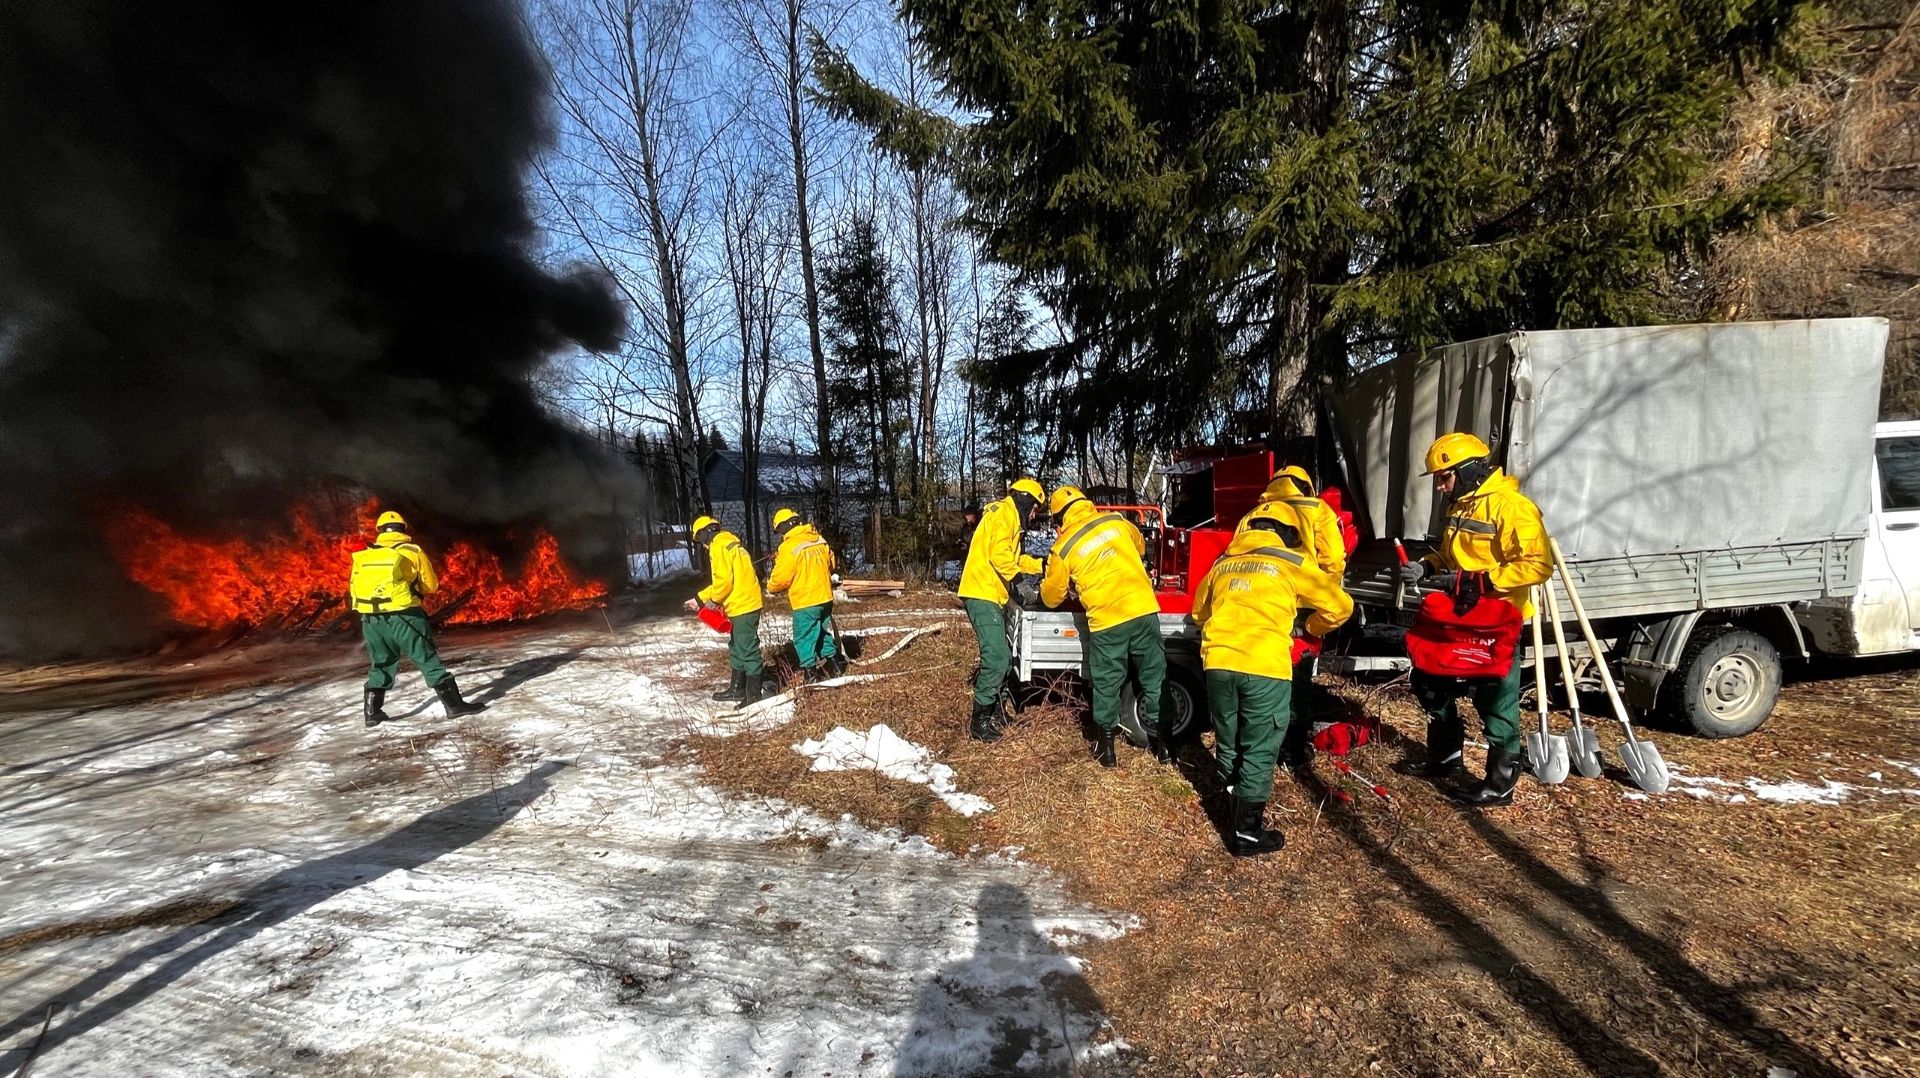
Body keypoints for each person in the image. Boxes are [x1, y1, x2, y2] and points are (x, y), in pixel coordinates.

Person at [1398, 433, 1552, 806]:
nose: (1439, 486)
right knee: (1429, 680)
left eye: (1444, 477)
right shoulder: (1462, 505)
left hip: (1497, 621)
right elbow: (1454, 557)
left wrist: (1483, 581)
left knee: (1495, 701)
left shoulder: (1512, 507)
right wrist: (1427, 565)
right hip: (1461, 616)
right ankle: (1445, 756)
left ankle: (1500, 783)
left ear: (1467, 471)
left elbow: (1538, 564)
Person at [1192, 501, 1353, 854]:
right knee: (1260, 747)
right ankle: (1247, 834)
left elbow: (1198, 611)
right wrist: (1310, 626)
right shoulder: (1293, 562)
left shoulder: (1224, 563)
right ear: (1288, 532)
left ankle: (1232, 807)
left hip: (1218, 664)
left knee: (1230, 739)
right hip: (1265, 667)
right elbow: (1341, 606)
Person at [1236, 464, 1358, 771]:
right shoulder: (1317, 509)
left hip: (1257, 602)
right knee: (1297, 680)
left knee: (1259, 675)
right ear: (1305, 486)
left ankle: (1256, 741)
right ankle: (1292, 749)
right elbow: (1332, 561)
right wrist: (1318, 612)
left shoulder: (1253, 513)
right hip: (1301, 605)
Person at [1039, 485, 1166, 768]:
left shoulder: (1064, 547)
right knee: (1154, 679)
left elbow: (1050, 598)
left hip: (1108, 620)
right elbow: (1140, 547)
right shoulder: (1117, 520)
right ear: (1086, 504)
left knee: (1107, 683)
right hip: (1144, 609)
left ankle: (1107, 750)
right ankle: (1163, 746)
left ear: (1059, 519)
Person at [348, 510, 484, 729]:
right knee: (427, 659)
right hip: (406, 617)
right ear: (403, 529)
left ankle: (372, 712)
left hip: (371, 620)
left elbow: (353, 586)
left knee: (381, 663)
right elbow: (431, 585)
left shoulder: (365, 554)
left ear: (380, 531)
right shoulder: (413, 551)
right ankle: (455, 706)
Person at [957, 478, 1046, 741]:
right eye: (1034, 508)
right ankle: (980, 721)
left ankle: (996, 710)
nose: (1034, 514)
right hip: (981, 593)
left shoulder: (1011, 521)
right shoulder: (1003, 514)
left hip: (991, 593)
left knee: (1005, 657)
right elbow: (999, 554)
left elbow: (1014, 558)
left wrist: (1043, 564)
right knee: (997, 657)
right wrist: (1019, 583)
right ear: (1025, 499)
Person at [688, 514, 769, 705]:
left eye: (699, 539)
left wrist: (713, 601)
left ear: (705, 533)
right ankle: (737, 690)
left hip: (743, 606)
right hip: (742, 603)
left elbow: (724, 582)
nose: (702, 545)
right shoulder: (731, 543)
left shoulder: (718, 547)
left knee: (747, 650)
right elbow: (726, 580)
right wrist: (700, 598)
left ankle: (753, 697)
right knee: (737, 646)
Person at [766, 507, 845, 682]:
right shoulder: (818, 538)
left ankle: (810, 674)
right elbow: (831, 564)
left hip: (805, 601)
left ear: (784, 526)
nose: (780, 534)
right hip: (825, 598)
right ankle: (836, 665)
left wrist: (770, 587)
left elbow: (781, 577)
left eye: (779, 530)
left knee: (803, 638)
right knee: (821, 632)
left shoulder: (789, 546)